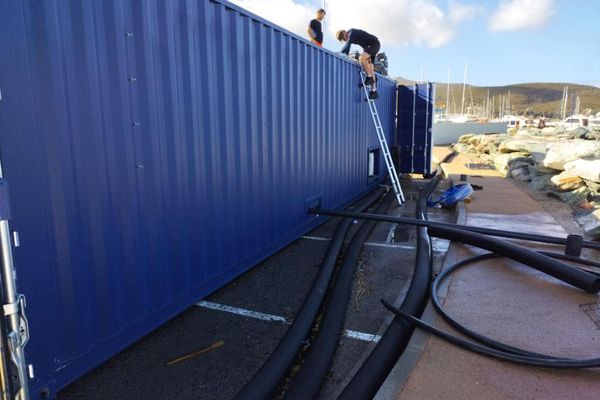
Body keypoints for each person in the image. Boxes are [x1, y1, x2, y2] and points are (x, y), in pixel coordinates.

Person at [336, 29, 380, 100]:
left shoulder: (351, 32)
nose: (344, 40)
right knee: (370, 68)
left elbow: (347, 46)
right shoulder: (351, 36)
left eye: (343, 38)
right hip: (369, 47)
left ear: (344, 32)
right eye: (343, 40)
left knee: (361, 59)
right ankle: (374, 91)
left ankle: (369, 78)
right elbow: (349, 46)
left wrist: (340, 54)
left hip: (374, 44)